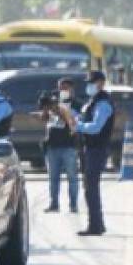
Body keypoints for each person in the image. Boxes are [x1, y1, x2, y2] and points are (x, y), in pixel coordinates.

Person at [59, 70, 114, 236]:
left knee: (91, 187)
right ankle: (98, 224)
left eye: (93, 82)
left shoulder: (103, 103)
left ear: (101, 83)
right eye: (89, 82)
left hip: (97, 149)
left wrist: (78, 126)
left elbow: (96, 127)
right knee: (89, 187)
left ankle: (95, 226)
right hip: (89, 148)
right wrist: (66, 113)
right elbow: (83, 119)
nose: (89, 85)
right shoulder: (93, 101)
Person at [39, 77, 81, 214]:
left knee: (72, 177)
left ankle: (73, 204)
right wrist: (46, 109)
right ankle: (54, 204)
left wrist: (60, 110)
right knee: (53, 177)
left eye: (65, 88)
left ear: (71, 89)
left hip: (69, 145)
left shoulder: (76, 104)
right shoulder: (53, 102)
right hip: (52, 145)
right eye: (60, 87)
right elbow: (45, 120)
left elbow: (73, 122)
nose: (62, 90)